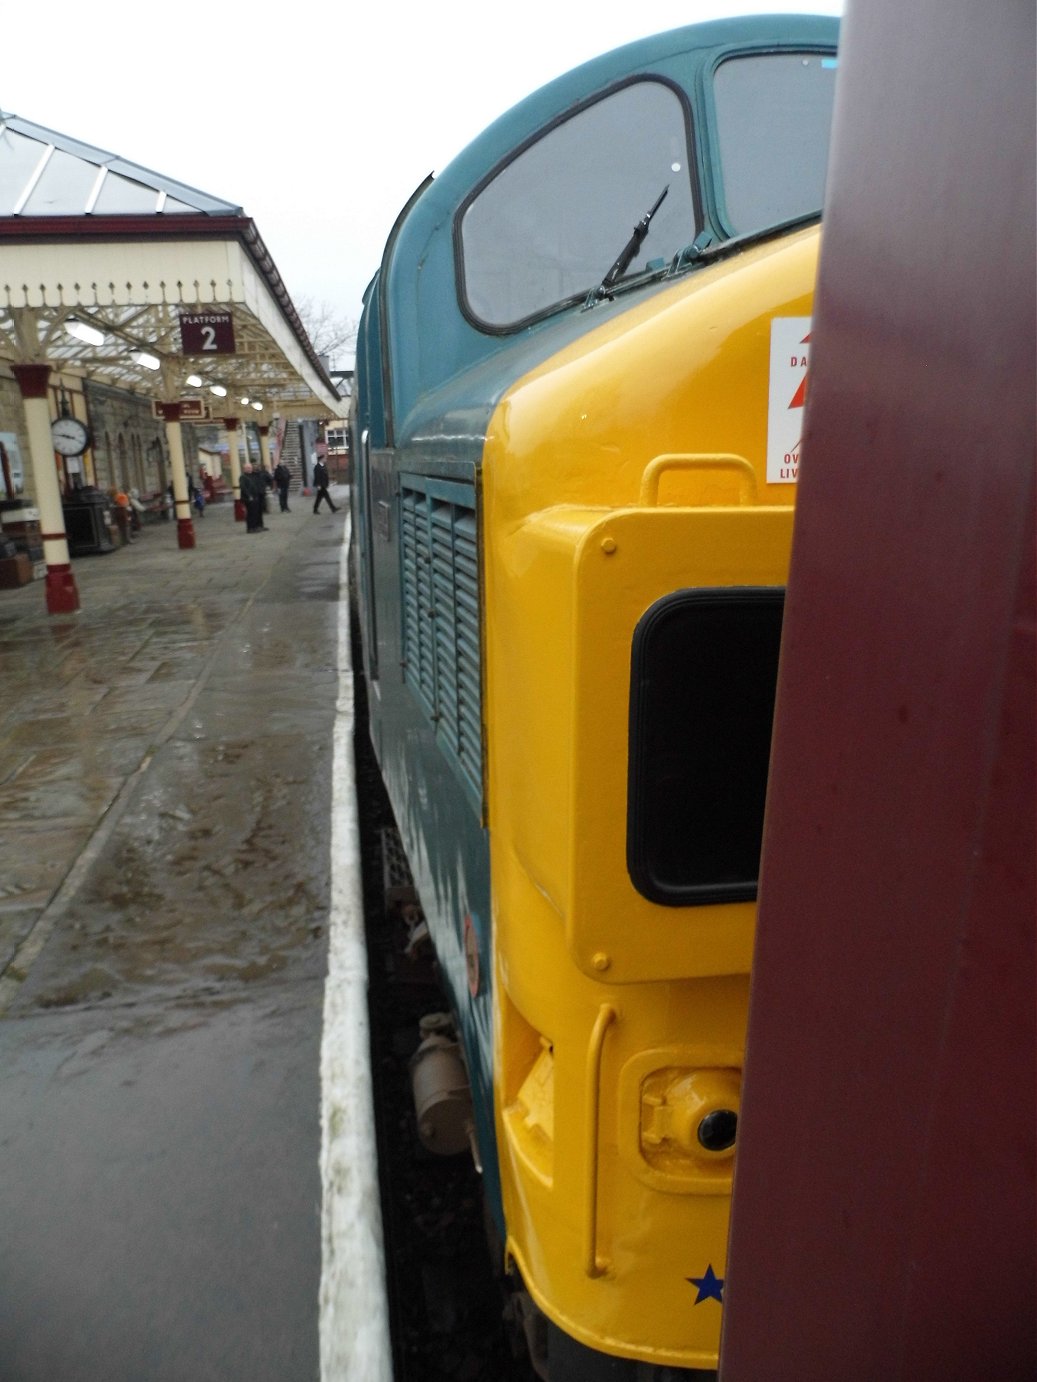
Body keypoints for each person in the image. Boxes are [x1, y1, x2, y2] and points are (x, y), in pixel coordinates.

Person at [240, 462, 267, 533]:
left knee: (256, 512)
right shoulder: (242, 477)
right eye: (247, 468)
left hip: (256, 497)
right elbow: (243, 488)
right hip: (248, 498)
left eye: (250, 468)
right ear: (244, 469)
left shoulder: (253, 475)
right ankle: (250, 528)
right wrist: (249, 496)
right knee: (250, 513)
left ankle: (256, 526)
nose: (249, 469)